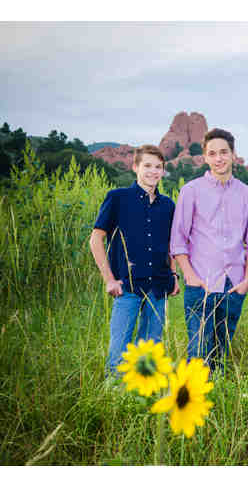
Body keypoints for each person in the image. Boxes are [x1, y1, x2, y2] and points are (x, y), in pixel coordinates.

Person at [171, 128, 248, 371]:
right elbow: (178, 240)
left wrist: (246, 282)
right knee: (198, 356)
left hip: (233, 285)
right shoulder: (191, 191)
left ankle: (217, 394)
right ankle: (194, 395)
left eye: (223, 152)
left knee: (221, 357)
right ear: (205, 157)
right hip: (200, 283)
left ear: (233, 154)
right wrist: (189, 276)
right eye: (212, 153)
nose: (218, 158)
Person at [89, 144, 179, 377]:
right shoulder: (117, 198)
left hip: (158, 288)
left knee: (148, 357)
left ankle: (141, 395)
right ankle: (115, 393)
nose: (153, 171)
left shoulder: (168, 205)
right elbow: (96, 239)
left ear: (163, 171)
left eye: (158, 167)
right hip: (126, 287)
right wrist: (109, 279)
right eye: (147, 166)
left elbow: (171, 244)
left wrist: (174, 275)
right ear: (135, 167)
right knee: (119, 355)